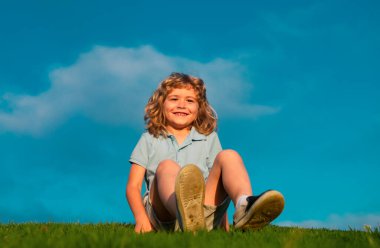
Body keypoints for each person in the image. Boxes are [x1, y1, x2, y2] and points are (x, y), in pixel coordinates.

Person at [126, 72, 285, 233]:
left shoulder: (209, 138)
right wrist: (141, 219)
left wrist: (223, 223)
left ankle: (244, 206)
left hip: (202, 214)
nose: (181, 105)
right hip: (164, 215)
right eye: (174, 99)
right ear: (161, 104)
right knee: (167, 166)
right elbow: (133, 186)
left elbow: (221, 181)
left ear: (199, 108)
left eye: (190, 100)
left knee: (229, 156)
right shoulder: (149, 139)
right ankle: (184, 215)